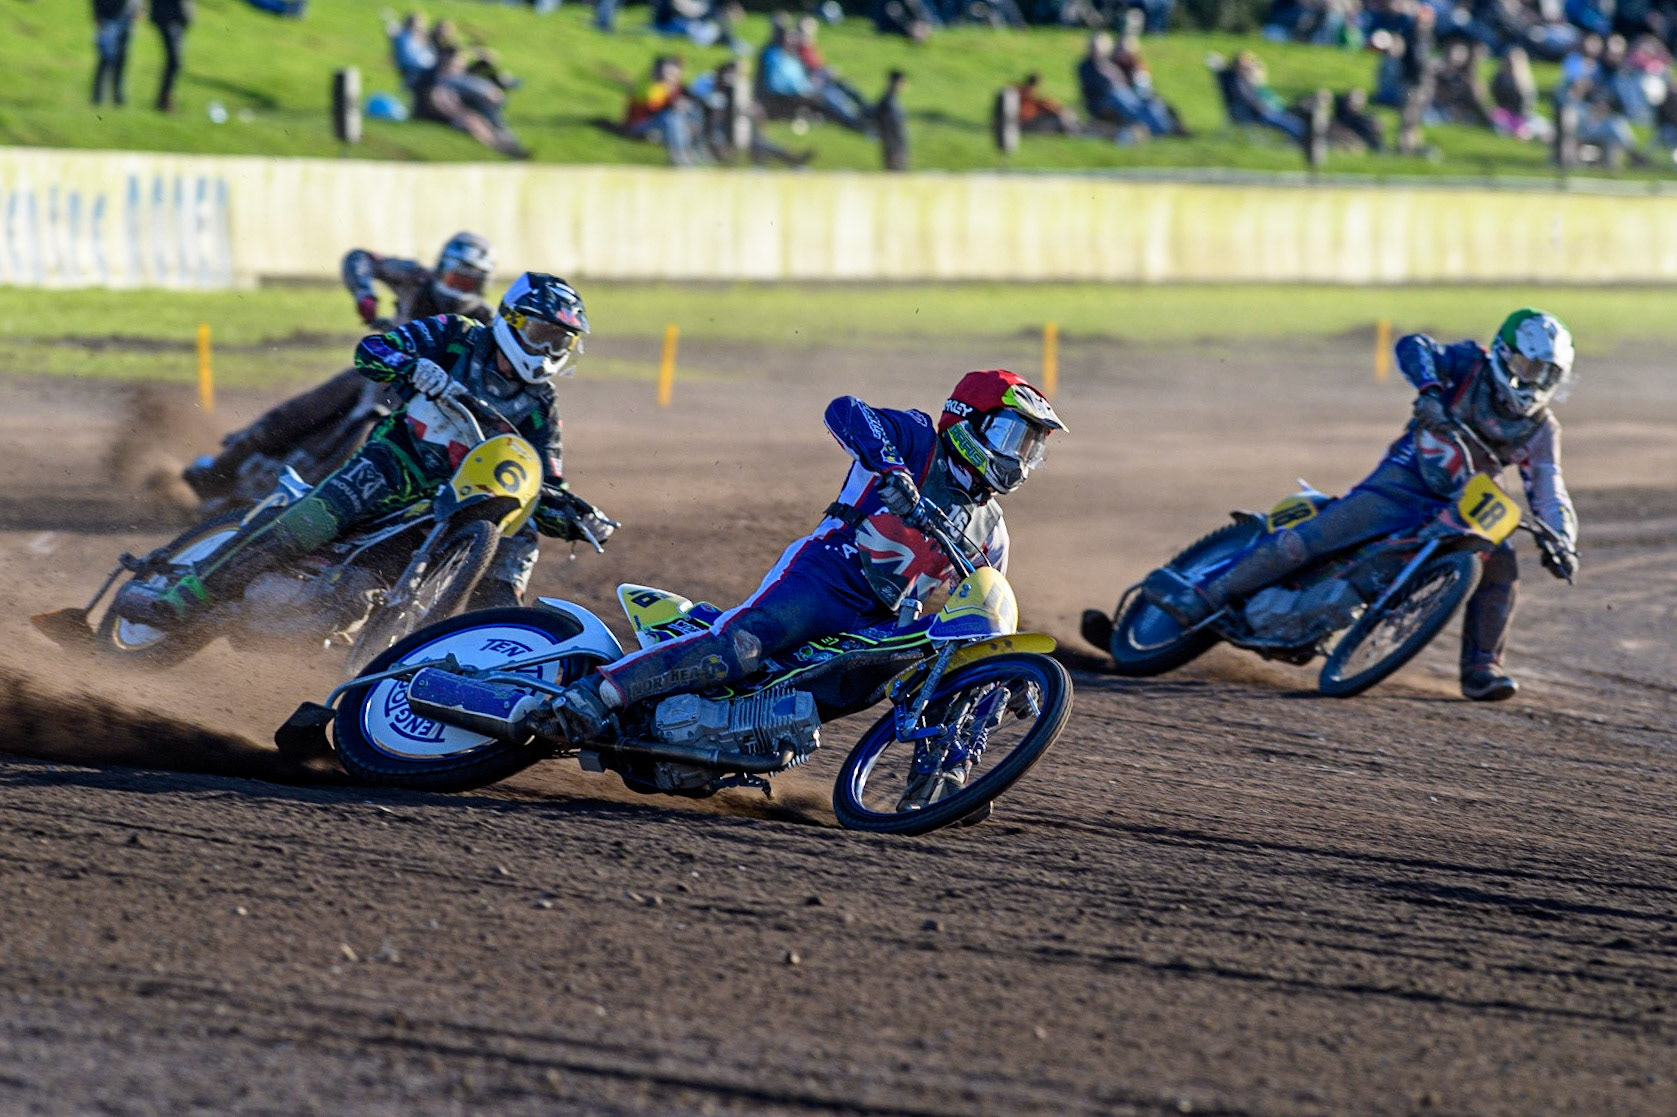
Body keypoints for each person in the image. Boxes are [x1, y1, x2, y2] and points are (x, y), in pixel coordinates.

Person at [542, 369, 1066, 801]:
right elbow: (846, 409)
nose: (1020, 457)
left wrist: (1001, 675)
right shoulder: (917, 439)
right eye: (1011, 436)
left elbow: (979, 607)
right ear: (968, 421)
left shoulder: (993, 532)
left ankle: (940, 783)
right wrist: (891, 470)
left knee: (937, 663)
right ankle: (598, 692)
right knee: (742, 646)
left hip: (883, 621)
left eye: (1031, 447)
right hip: (826, 575)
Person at [118, 273, 616, 628]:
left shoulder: (541, 407)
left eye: (561, 343)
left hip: (455, 500)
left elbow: (544, 480)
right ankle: (185, 596)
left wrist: (578, 515)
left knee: (481, 551)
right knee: (309, 524)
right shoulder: (457, 335)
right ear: (510, 319)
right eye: (542, 335)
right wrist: (410, 366)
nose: (549, 352)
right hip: (394, 463)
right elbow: (371, 351)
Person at [1143, 310, 1579, 703]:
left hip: (1459, 503)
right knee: (1313, 539)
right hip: (1403, 481)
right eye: (1527, 367)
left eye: (1547, 374)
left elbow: (1548, 486)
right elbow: (1414, 346)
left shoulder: (1541, 428)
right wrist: (1429, 391)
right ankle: (1203, 595)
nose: (1534, 381)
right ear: (1504, 354)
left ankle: (1483, 669)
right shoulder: (1470, 364)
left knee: (1500, 559)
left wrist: (1562, 540)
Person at [183, 233, 496, 504]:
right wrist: (364, 293)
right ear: (441, 269)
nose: (458, 288)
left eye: (468, 282)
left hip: (423, 399)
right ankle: (220, 469)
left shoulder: (487, 322)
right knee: (301, 411)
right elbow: (359, 258)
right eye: (455, 278)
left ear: (482, 284)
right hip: (377, 371)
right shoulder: (415, 278)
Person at [149, 0, 193, 113]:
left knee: (176, 63)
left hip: (179, 18)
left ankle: (166, 99)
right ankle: (164, 100)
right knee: (175, 62)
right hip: (166, 17)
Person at [92, 0, 138, 106]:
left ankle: (118, 96)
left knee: (122, 58)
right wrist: (99, 15)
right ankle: (97, 96)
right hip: (109, 16)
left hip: (127, 16)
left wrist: (137, 9)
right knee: (106, 57)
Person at [875, 69, 910, 171]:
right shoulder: (887, 102)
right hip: (894, 144)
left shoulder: (892, 100)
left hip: (896, 143)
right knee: (896, 173)